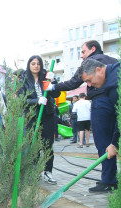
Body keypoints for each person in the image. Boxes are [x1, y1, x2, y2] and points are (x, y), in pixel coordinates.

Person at [45, 40, 118, 191]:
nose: (81, 56)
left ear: (93, 49)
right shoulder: (113, 63)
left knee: (103, 142)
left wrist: (53, 86)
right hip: (110, 104)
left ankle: (109, 181)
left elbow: (73, 83)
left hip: (101, 104)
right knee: (110, 141)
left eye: (83, 52)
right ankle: (110, 179)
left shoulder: (91, 64)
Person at [78, 59, 119, 192]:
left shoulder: (114, 84)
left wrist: (114, 143)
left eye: (89, 80)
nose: (90, 85)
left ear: (98, 70)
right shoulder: (114, 71)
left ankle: (109, 182)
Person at [19, 55, 61, 185]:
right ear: (29, 65)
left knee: (48, 145)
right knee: (35, 146)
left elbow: (56, 94)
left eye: (38, 63)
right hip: (32, 117)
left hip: (47, 116)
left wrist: (53, 84)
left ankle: (48, 172)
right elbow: (21, 100)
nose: (36, 66)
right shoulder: (24, 80)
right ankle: (35, 172)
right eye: (33, 63)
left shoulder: (47, 77)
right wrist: (36, 101)